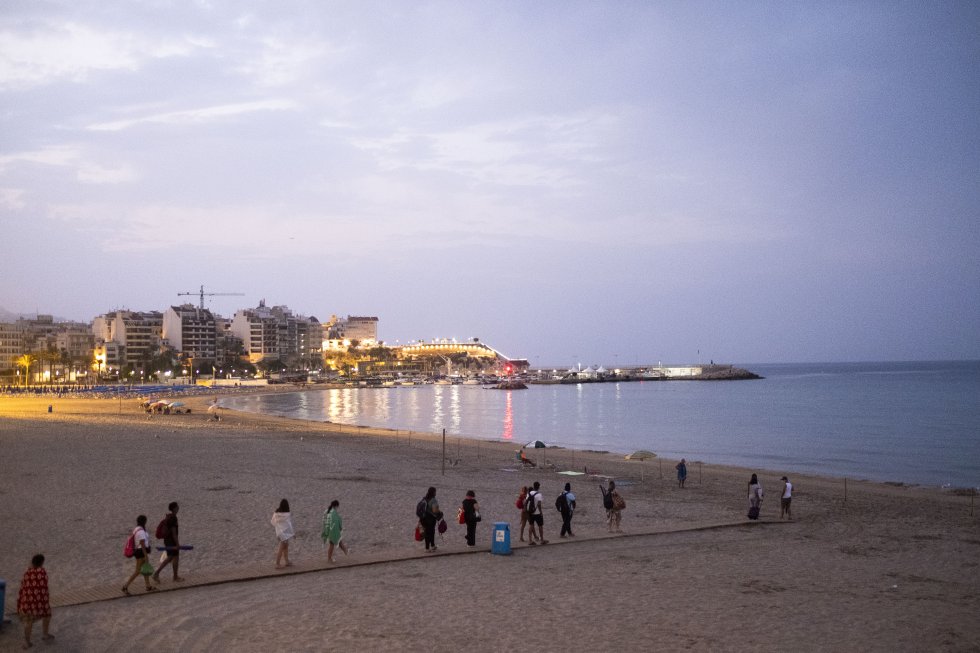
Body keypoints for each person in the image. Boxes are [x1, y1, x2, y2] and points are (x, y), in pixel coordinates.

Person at [18, 553, 54, 648]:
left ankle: (27, 642)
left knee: (28, 622)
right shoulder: (42, 572)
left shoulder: (27, 572)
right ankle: (45, 635)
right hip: (40, 602)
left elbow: (23, 586)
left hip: (27, 602)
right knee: (47, 616)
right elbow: (44, 587)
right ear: (42, 563)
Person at [122, 515, 156, 595]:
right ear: (144, 521)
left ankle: (148, 586)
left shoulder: (136, 529)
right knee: (138, 571)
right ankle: (125, 586)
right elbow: (142, 543)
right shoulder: (141, 531)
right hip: (141, 552)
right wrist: (146, 555)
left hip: (139, 552)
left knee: (145, 570)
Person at [152, 502, 183, 583]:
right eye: (177, 507)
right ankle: (156, 573)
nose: (178, 508)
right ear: (174, 508)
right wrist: (177, 543)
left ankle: (175, 576)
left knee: (175, 557)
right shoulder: (173, 518)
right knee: (170, 557)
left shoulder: (169, 517)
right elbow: (174, 532)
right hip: (171, 541)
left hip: (167, 540)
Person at [272, 498, 295, 568]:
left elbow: (273, 522)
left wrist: (278, 528)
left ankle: (287, 561)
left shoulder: (276, 513)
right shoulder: (287, 514)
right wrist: (293, 533)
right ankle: (277, 563)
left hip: (279, 532)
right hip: (285, 533)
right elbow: (289, 525)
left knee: (285, 546)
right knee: (282, 547)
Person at [420, 487, 442, 552]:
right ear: (434, 492)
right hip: (430, 518)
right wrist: (440, 512)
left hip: (423, 518)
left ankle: (431, 546)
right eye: (435, 491)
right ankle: (429, 547)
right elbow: (435, 510)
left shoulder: (424, 498)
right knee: (431, 532)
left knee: (427, 532)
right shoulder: (433, 500)